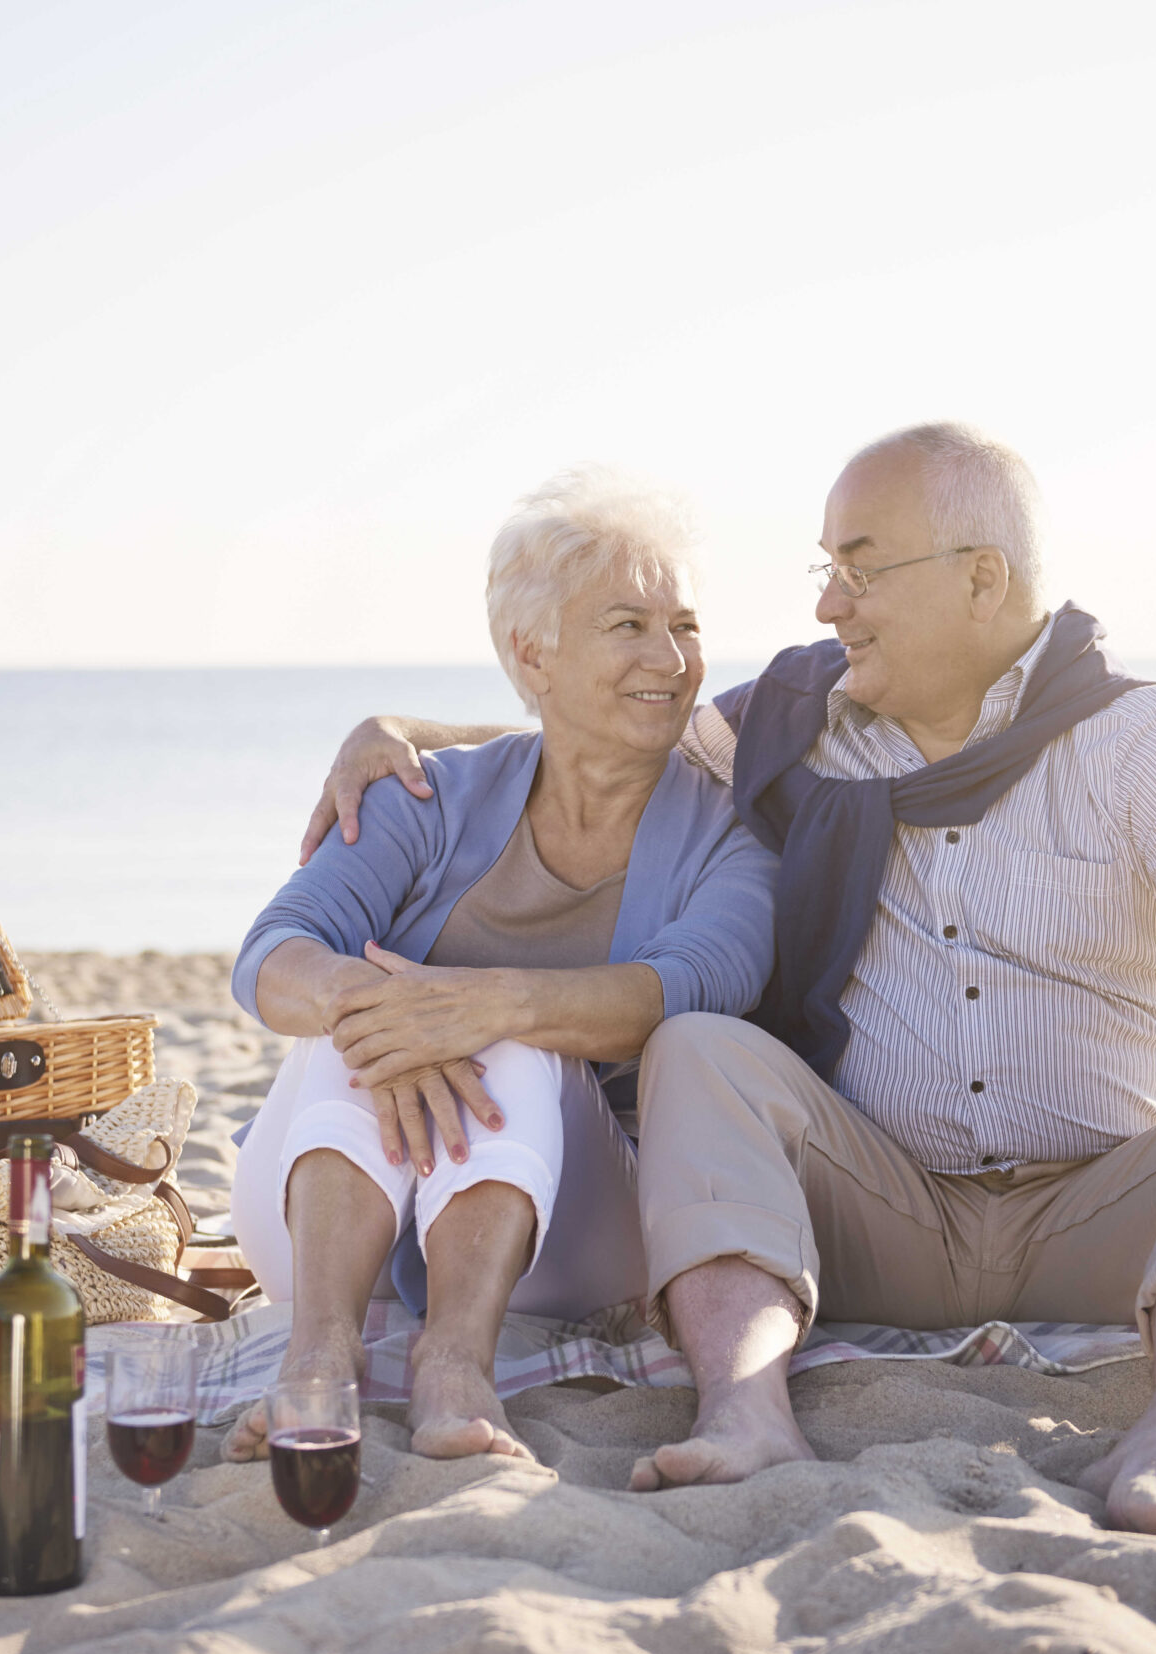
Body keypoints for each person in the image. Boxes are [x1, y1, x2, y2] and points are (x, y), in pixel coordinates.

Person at [299, 422, 1156, 1533]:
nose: (828, 605)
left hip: (1110, 1214)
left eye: (859, 570)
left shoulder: (1143, 741)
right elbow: (604, 726)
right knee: (700, 1044)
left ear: (980, 578)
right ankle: (745, 1406)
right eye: (827, 572)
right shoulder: (804, 720)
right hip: (881, 1215)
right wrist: (400, 731)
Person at [225, 467, 776, 1463]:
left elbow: (699, 985)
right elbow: (272, 953)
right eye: (627, 625)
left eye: (685, 625)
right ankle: (319, 1348)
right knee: (359, 1003)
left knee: (514, 1038)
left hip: (573, 1236)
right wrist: (376, 1005)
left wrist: (481, 1005)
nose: (671, 657)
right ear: (532, 651)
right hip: (323, 1228)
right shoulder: (426, 797)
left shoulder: (729, 829)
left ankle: (455, 1361)